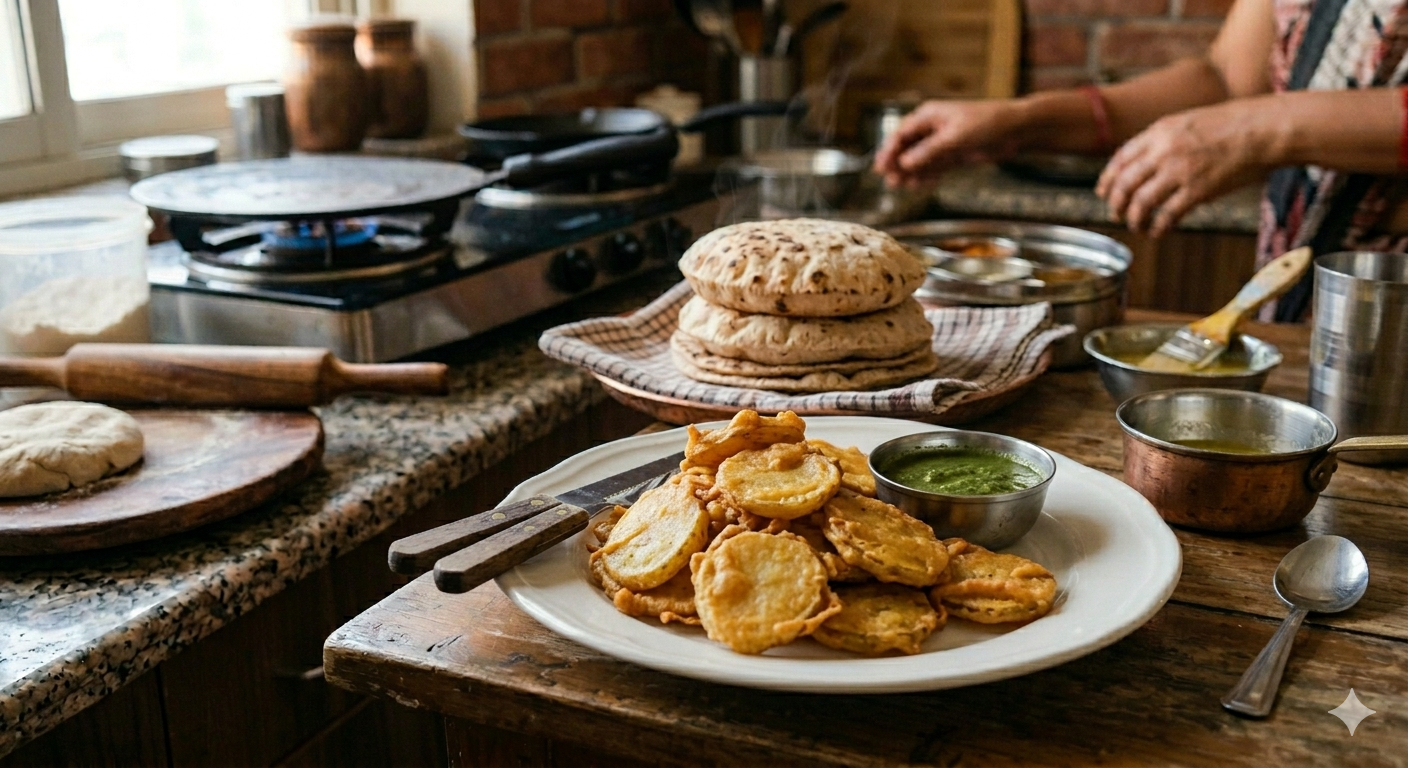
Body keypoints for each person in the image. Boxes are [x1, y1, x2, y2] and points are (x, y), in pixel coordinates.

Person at [873, 0, 1408, 320]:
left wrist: (1261, 126)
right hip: (1307, 304)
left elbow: (1248, 109)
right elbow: (1226, 79)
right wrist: (1023, 121)